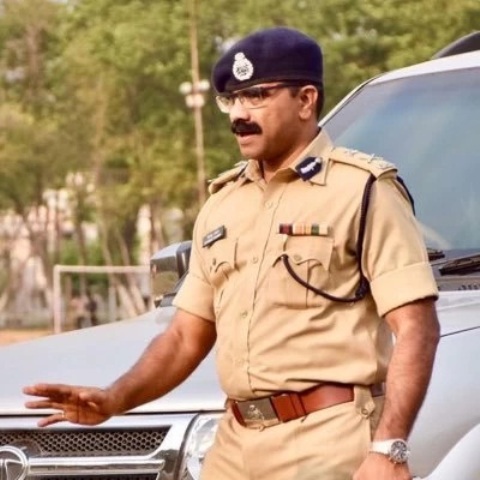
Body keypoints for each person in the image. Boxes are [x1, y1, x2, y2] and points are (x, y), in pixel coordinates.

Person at [23, 27, 440, 480]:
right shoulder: (223, 204)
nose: (239, 115)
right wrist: (114, 398)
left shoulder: (362, 190)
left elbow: (416, 327)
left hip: (328, 439)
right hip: (233, 444)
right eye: (231, 99)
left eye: (257, 96)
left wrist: (389, 448)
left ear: (306, 100)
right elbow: (184, 337)